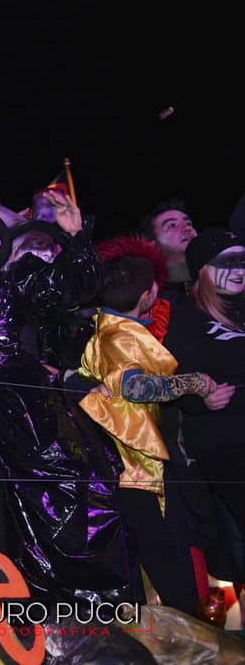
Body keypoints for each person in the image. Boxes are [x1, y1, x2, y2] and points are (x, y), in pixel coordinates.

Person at [0, 176, 129, 605]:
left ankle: (63, 605)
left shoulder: (18, 281)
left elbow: (71, 285)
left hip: (21, 407)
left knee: (54, 493)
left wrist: (75, 238)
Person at [80, 242, 218, 612]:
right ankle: (184, 631)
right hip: (132, 463)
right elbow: (134, 387)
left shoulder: (109, 326)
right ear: (148, 295)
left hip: (130, 457)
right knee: (162, 555)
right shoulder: (118, 334)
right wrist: (194, 383)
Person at [163, 230, 244, 579]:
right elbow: (177, 380)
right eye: (228, 262)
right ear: (205, 270)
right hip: (227, 440)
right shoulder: (189, 318)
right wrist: (202, 397)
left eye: (243, 260)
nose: (239, 269)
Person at [139, 199, 198, 302]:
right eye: (172, 225)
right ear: (152, 244)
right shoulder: (145, 294)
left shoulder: (220, 279)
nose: (187, 228)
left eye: (189, 223)